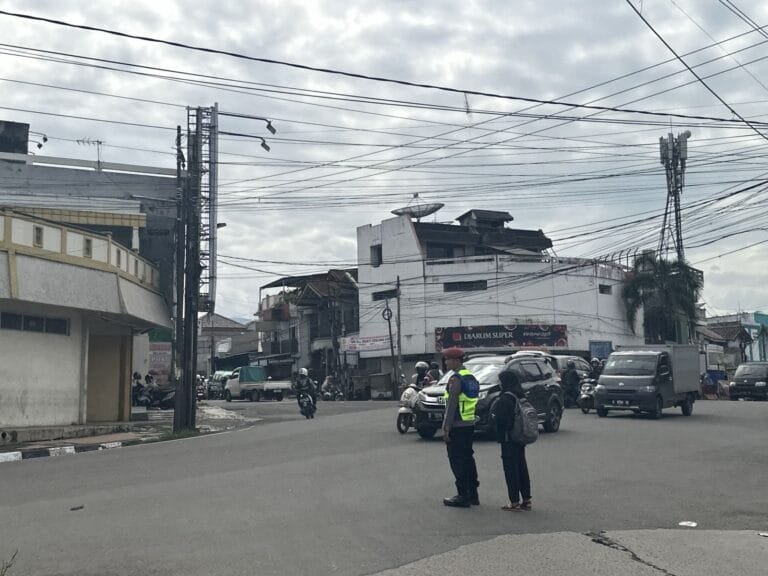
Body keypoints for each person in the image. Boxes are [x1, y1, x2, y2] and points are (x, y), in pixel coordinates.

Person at [441, 347, 480, 508]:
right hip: (469, 423)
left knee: (457, 460)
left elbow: (451, 404)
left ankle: (462, 495)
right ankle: (473, 494)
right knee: (468, 459)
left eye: (448, 359)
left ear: (456, 361)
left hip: (457, 425)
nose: (446, 362)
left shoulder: (456, 379)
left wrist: (446, 428)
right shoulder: (470, 377)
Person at [495, 368, 532, 511]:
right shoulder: (520, 395)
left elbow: (502, 420)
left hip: (508, 437)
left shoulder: (505, 398)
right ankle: (526, 499)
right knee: (522, 466)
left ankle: (514, 501)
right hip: (520, 436)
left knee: (510, 469)